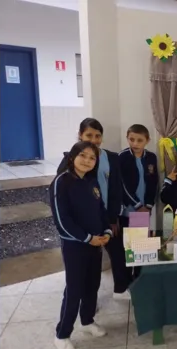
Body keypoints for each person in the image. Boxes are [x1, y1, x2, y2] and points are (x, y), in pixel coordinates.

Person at [49, 141, 111, 349]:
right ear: (72, 157)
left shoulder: (91, 182)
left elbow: (101, 211)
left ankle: (87, 320)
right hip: (75, 246)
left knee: (92, 284)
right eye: (83, 156)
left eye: (92, 158)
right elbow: (62, 220)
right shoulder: (61, 182)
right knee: (74, 289)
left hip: (95, 244)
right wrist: (87, 238)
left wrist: (107, 232)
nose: (87, 161)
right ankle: (62, 334)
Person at [57, 118, 130, 299]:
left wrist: (113, 218)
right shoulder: (72, 159)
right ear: (80, 135)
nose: (94, 139)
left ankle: (120, 289)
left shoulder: (111, 158)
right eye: (89, 135)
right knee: (85, 266)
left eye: (98, 136)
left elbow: (115, 188)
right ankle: (86, 301)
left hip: (107, 217)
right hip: (84, 222)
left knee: (118, 253)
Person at [119, 124, 159, 283]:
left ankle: (139, 279)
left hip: (143, 211)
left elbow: (153, 182)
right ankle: (127, 281)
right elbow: (122, 185)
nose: (135, 143)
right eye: (132, 139)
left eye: (139, 140)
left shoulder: (151, 157)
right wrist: (137, 205)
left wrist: (148, 205)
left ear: (147, 141)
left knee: (140, 246)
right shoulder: (122, 157)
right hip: (129, 210)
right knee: (128, 248)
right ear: (127, 138)